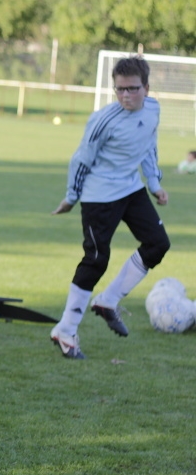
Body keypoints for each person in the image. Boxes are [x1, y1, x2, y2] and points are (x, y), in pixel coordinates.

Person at [50, 55, 170, 359]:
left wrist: (155, 184)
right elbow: (81, 159)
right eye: (119, 90)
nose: (126, 96)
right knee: (97, 259)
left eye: (132, 89)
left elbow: (148, 146)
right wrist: (71, 196)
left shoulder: (154, 109)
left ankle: (108, 301)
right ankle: (65, 330)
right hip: (98, 195)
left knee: (157, 244)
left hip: (130, 189)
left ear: (146, 87)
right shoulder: (103, 119)